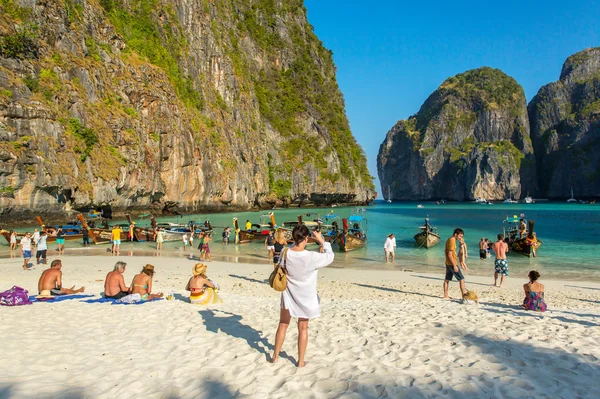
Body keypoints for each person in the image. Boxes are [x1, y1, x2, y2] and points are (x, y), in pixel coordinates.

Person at [270, 225, 334, 368]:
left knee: (283, 324)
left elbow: (283, 263)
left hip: (289, 294)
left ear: (293, 237)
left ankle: (275, 356)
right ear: (306, 238)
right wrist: (322, 241)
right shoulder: (312, 257)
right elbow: (330, 257)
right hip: (306, 295)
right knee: (303, 327)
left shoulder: (285, 253)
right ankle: (300, 361)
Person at [443, 228, 467, 299]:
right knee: (461, 279)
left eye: (461, 236)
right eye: (460, 236)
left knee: (447, 279)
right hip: (452, 263)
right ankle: (464, 296)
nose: (460, 238)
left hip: (448, 262)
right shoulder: (452, 241)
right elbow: (450, 254)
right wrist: (454, 265)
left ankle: (445, 295)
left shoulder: (449, 239)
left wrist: (461, 242)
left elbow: (445, 251)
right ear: (455, 234)